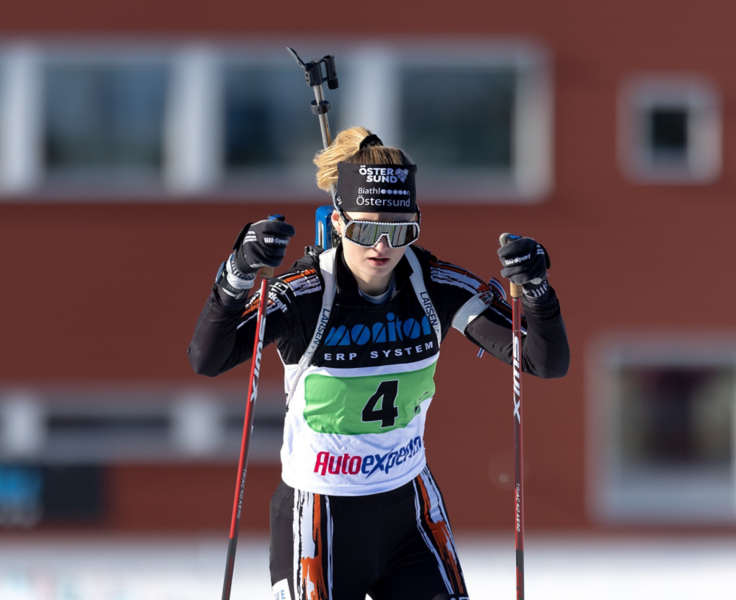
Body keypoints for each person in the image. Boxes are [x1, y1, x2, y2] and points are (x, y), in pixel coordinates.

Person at [188, 126, 569, 600]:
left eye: (400, 231)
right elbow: (208, 357)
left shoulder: (435, 286)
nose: (382, 248)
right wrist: (238, 273)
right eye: (366, 229)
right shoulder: (307, 294)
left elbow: (543, 361)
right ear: (340, 221)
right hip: (317, 517)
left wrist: (537, 291)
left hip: (409, 512)